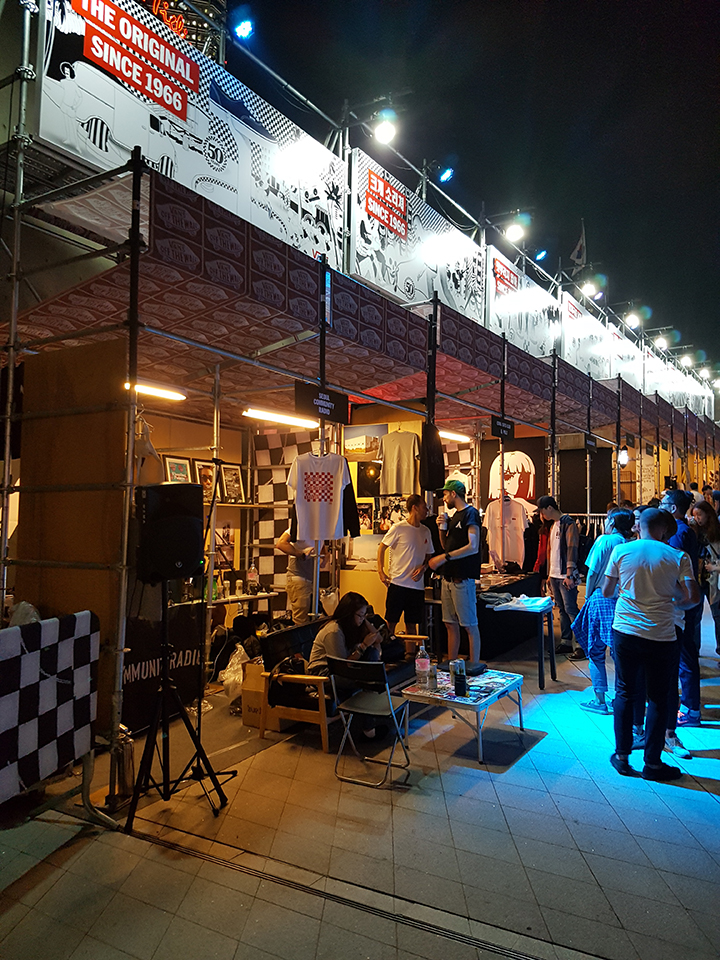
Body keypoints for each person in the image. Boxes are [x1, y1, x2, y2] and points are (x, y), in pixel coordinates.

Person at [603, 508, 700, 781]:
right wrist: (674, 602)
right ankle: (653, 764)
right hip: (661, 634)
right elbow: (693, 597)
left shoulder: (621, 551)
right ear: (664, 530)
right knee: (658, 697)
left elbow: (607, 591)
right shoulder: (678, 556)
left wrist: (628, 592)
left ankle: (622, 757)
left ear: (639, 526)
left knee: (624, 692)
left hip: (625, 630)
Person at [572, 509, 635, 713]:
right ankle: (621, 698)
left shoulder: (604, 541)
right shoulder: (630, 544)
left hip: (601, 598)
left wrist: (587, 596)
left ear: (612, 523)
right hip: (623, 601)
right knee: (619, 654)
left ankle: (600, 700)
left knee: (596, 650)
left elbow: (593, 572)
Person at [307, 592, 385, 738]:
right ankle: (369, 728)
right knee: (368, 681)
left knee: (372, 654)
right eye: (360, 615)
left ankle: (370, 724)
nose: (362, 619)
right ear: (349, 614)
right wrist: (363, 646)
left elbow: (379, 639)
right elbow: (342, 666)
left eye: (364, 615)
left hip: (339, 669)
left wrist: (365, 621)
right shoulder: (334, 631)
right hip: (323, 673)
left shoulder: (352, 627)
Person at [660, 489, 703, 727]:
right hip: (687, 599)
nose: (661, 506)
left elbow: (675, 569)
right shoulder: (685, 530)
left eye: (664, 503)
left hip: (684, 602)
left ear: (673, 508)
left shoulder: (677, 533)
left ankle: (690, 709)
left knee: (685, 656)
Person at [428, 480, 481, 662]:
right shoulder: (455, 516)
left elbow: (473, 546)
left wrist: (444, 558)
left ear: (453, 493)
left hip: (462, 579)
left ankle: (474, 665)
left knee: (469, 625)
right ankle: (451, 664)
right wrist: (441, 529)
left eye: (445, 494)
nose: (443, 498)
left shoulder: (471, 513)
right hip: (448, 578)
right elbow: (446, 546)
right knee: (450, 624)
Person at [377, 494, 433, 636]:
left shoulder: (426, 531)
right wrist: (381, 572)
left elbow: (429, 555)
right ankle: (390, 648)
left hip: (417, 586)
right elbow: (382, 548)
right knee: (391, 622)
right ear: (415, 508)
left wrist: (424, 568)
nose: (427, 510)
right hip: (398, 583)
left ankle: (411, 650)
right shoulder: (398, 528)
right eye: (424, 506)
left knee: (412, 625)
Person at [536, 496, 583, 659]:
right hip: (555, 574)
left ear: (549, 508)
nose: (541, 515)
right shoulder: (553, 525)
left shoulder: (568, 523)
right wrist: (550, 574)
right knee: (562, 609)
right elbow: (551, 552)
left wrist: (569, 574)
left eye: (542, 511)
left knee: (571, 609)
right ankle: (566, 641)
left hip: (565, 575)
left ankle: (581, 644)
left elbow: (572, 549)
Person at [691, 500, 720, 657]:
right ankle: (694, 650)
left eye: (699, 515)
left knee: (717, 615)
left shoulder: (716, 532)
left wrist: (715, 567)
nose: (697, 519)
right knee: (695, 616)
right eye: (694, 515)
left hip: (713, 579)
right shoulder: (693, 531)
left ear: (708, 515)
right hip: (698, 578)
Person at [275, 529, 319, 624]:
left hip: (308, 578)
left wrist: (325, 554)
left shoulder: (319, 527)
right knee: (301, 621)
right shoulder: (300, 526)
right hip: (299, 577)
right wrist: (300, 554)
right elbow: (280, 544)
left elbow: (319, 545)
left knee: (307, 619)